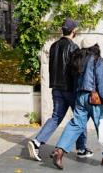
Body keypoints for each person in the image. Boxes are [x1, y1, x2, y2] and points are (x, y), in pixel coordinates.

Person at [26, 18, 91, 162]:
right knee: (80, 117)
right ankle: (81, 149)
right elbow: (76, 70)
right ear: (74, 31)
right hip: (70, 89)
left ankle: (36, 142)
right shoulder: (73, 47)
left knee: (55, 117)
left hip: (56, 88)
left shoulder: (53, 46)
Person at [50, 44, 103, 169]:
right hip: (94, 97)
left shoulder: (77, 58)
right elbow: (101, 80)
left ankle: (59, 151)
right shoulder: (97, 59)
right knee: (102, 125)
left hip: (80, 96)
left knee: (76, 124)